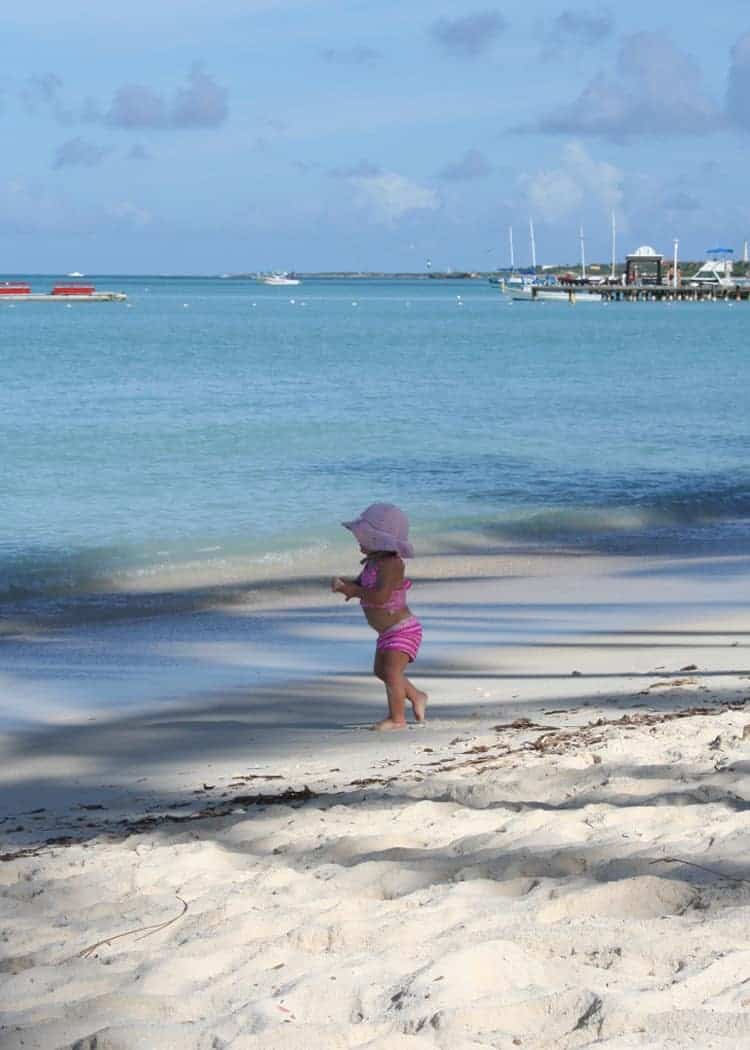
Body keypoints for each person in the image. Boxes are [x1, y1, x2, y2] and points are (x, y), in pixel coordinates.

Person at [332, 503, 427, 730]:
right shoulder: (372, 563)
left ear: (378, 540)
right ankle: (416, 695)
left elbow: (381, 597)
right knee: (381, 671)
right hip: (387, 632)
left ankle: (397, 719)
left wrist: (355, 592)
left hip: (403, 628)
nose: (358, 540)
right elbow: (363, 585)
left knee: (392, 672)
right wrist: (347, 586)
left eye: (363, 536)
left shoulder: (392, 564)